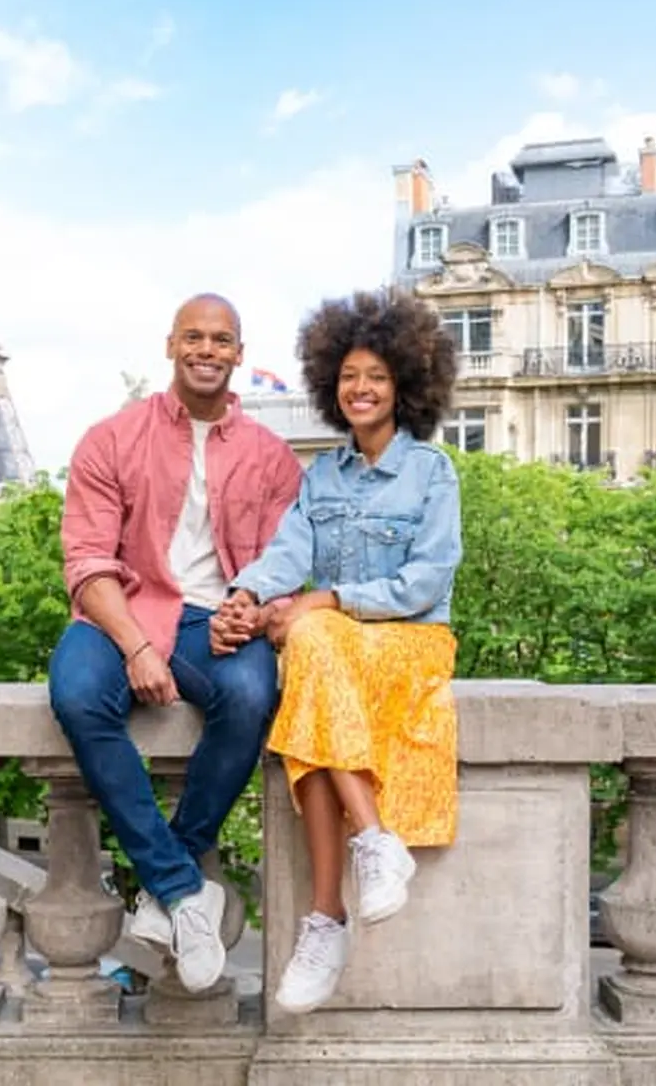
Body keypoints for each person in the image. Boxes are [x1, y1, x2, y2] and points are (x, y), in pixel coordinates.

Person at [213, 288, 462, 1014]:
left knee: (312, 642)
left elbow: (424, 583)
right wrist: (246, 595)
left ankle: (327, 918)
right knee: (314, 662)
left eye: (376, 376)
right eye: (349, 376)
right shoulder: (321, 476)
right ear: (331, 384)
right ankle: (372, 847)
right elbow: (288, 554)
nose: (360, 388)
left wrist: (326, 600)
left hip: (411, 641)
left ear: (405, 385)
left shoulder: (432, 472)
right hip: (338, 650)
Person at [49, 293, 303, 994]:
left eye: (221, 340)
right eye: (194, 337)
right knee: (76, 694)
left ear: (239, 354)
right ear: (170, 345)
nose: (206, 350)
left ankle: (169, 885)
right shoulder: (111, 439)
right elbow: (87, 564)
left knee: (250, 693)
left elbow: (284, 565)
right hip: (122, 609)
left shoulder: (273, 458)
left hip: (218, 619)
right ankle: (186, 890)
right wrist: (135, 646)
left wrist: (250, 611)